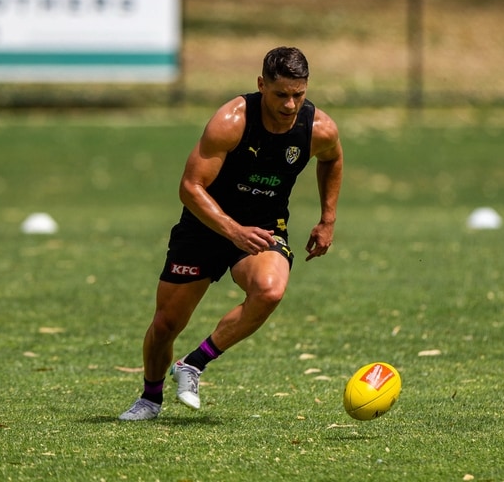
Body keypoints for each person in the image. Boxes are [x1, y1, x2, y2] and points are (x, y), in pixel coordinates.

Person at [119, 46, 343, 420]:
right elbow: (190, 187)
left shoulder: (317, 127)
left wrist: (328, 219)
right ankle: (150, 398)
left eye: (298, 95)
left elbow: (332, 157)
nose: (290, 105)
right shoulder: (232, 120)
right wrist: (232, 230)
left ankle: (193, 364)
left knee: (270, 290)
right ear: (261, 85)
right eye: (280, 95)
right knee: (166, 324)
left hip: (264, 228)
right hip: (205, 225)